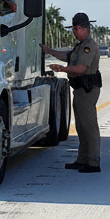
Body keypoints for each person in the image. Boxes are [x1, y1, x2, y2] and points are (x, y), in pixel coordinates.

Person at [40, 12, 102, 173]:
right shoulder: (80, 45)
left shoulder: (89, 46)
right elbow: (67, 56)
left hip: (87, 90)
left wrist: (61, 69)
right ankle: (83, 159)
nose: (74, 32)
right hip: (80, 90)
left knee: (89, 127)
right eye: (73, 28)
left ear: (85, 28)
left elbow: (81, 68)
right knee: (81, 127)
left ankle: (93, 162)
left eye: (76, 28)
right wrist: (49, 51)